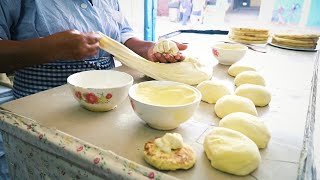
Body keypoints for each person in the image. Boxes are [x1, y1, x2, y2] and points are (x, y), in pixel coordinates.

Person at [0, 0, 187, 178]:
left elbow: (121, 33)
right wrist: (48, 48)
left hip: (109, 110)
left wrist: (147, 49)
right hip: (41, 120)